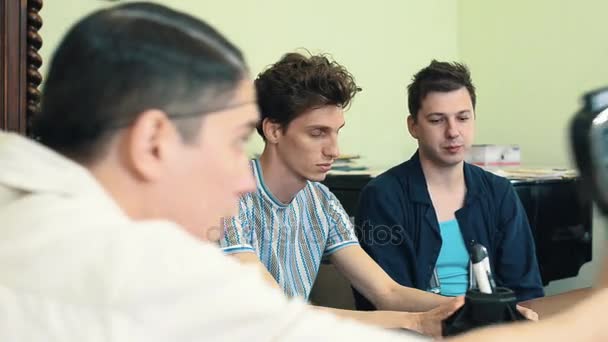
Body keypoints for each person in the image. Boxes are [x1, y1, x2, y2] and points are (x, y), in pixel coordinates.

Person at [0, 3, 422, 340]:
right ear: (152, 142)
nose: (243, 179)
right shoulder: (119, 264)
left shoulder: (30, 209)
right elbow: (276, 327)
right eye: (233, 141)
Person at [219, 51, 471, 337]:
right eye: (317, 133)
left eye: (336, 132)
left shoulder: (322, 201)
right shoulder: (228, 199)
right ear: (274, 130)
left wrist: (476, 310)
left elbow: (387, 292)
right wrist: (416, 322)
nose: (334, 150)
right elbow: (276, 312)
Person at [354, 60, 544, 312]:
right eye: (437, 120)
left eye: (463, 118)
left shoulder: (500, 192)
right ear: (413, 126)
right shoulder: (382, 196)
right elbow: (388, 300)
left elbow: (526, 290)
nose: (453, 131)